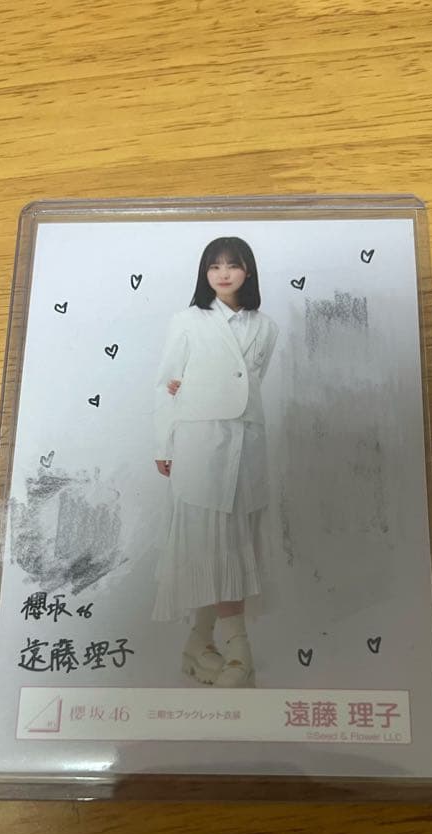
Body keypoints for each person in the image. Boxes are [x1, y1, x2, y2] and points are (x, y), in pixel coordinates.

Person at [152, 236, 279, 688]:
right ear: (205, 273)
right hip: (200, 443)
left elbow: (250, 381)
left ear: (248, 271)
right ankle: (240, 652)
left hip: (246, 443)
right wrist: (164, 444)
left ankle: (198, 645)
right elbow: (167, 383)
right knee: (210, 541)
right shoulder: (188, 321)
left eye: (233, 265)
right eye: (214, 266)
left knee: (231, 540)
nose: (223, 274)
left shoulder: (266, 326)